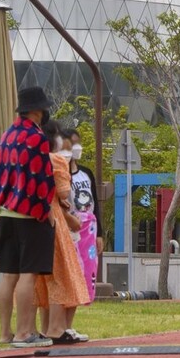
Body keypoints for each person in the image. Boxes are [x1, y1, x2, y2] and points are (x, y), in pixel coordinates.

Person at [0, 86, 56, 348]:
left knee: (9, 275)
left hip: (5, 211)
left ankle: (5, 333)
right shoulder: (36, 137)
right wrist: (45, 211)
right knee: (29, 274)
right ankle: (24, 332)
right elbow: (41, 178)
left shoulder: (7, 134)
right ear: (38, 109)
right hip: (30, 213)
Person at [34, 121, 89, 345]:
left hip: (35, 220)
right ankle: (58, 328)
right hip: (55, 220)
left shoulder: (33, 159)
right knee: (63, 274)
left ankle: (46, 327)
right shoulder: (56, 160)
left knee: (43, 279)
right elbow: (64, 191)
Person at [65, 128, 101, 342]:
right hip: (69, 229)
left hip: (88, 231)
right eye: (72, 144)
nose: (76, 148)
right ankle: (62, 326)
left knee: (84, 276)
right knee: (70, 274)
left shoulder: (86, 173)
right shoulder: (59, 173)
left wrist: (100, 234)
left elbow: (96, 203)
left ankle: (69, 325)